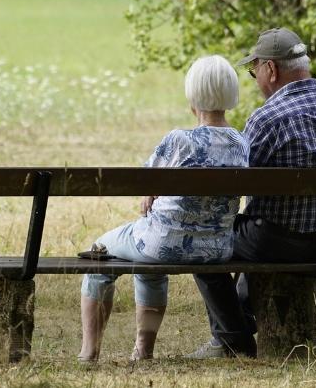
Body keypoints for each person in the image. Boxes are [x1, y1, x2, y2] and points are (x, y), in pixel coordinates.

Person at [187, 28, 316, 359]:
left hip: (274, 241)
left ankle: (232, 339)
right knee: (254, 229)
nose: (255, 80)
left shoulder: (266, 119)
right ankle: (240, 321)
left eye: (254, 72)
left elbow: (234, 183)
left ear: (271, 69)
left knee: (201, 239)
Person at [78, 55, 250, 362]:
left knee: (99, 252)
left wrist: (151, 192)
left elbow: (143, 181)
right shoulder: (241, 142)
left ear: (192, 95)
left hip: (162, 243)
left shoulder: (179, 140)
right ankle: (142, 351)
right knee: (148, 263)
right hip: (216, 249)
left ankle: (89, 352)